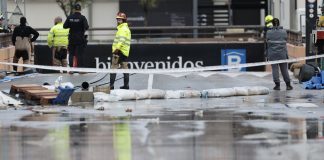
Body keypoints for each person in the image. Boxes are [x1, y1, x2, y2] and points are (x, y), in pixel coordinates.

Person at [266, 18, 293, 90]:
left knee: (275, 69)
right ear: (279, 23)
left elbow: (267, 42)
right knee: (284, 69)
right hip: (282, 53)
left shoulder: (269, 32)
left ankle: (277, 85)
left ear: (272, 24)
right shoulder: (284, 32)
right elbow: (285, 39)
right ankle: (288, 85)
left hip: (272, 53)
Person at [110, 12, 131, 90]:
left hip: (119, 52)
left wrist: (116, 50)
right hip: (124, 52)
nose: (118, 21)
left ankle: (111, 86)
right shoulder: (126, 28)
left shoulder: (122, 29)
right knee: (125, 69)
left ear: (123, 20)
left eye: (120, 19)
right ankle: (126, 86)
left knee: (113, 69)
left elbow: (121, 40)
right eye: (118, 19)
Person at [63, 3, 89, 69]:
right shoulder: (82, 18)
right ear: (80, 9)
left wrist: (71, 25)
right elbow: (86, 27)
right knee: (80, 54)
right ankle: (81, 70)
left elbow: (64, 26)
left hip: (71, 39)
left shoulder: (70, 17)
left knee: (71, 54)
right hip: (80, 39)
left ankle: (71, 69)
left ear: (74, 9)